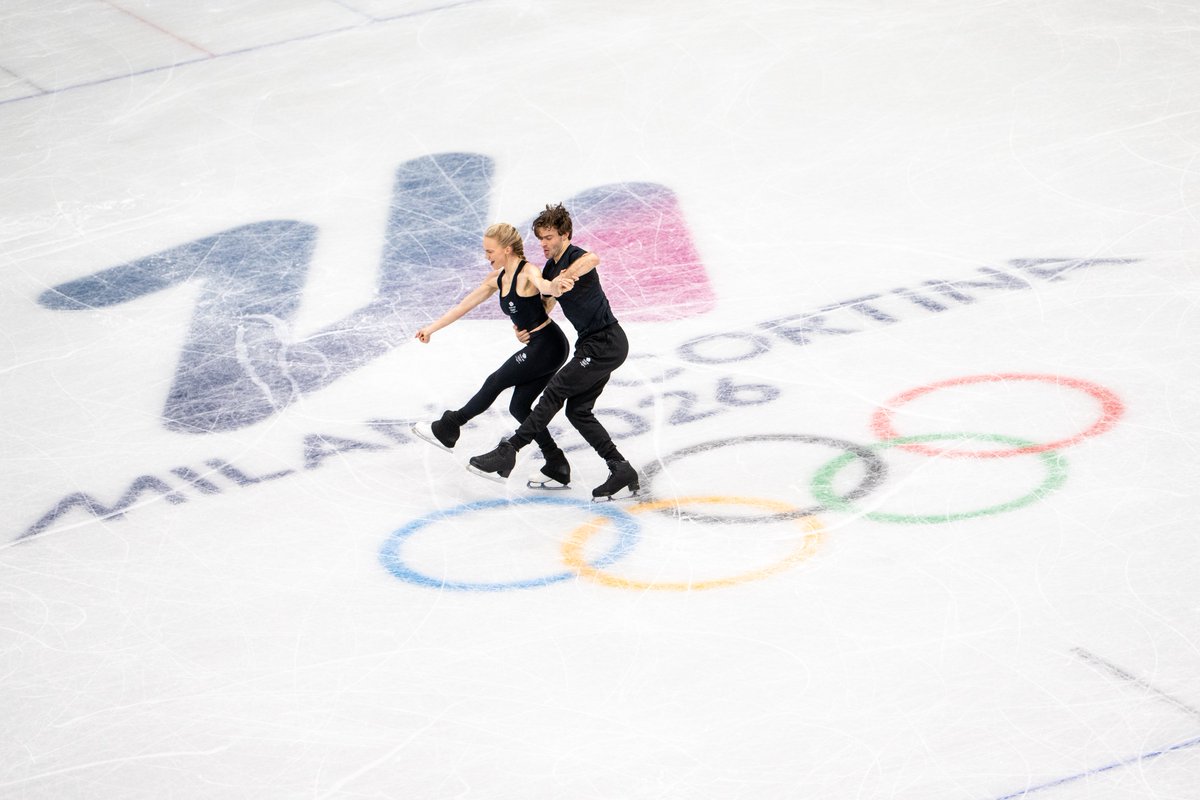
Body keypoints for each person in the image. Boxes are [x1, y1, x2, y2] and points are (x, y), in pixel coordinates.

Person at [468, 203, 640, 500]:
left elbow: (593, 259)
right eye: (541, 238)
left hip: (606, 342)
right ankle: (620, 468)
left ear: (565, 234)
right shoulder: (547, 269)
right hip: (591, 344)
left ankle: (509, 450)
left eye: (549, 237)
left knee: (555, 391)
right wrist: (528, 326)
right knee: (578, 411)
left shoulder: (576, 257)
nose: (544, 244)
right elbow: (547, 303)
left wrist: (566, 277)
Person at [411, 222, 573, 487]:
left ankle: (449, 427)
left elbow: (544, 286)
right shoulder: (498, 279)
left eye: (490, 252)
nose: (487, 257)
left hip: (549, 345)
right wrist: (431, 329)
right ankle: (556, 463)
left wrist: (555, 286)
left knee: (496, 380)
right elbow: (464, 306)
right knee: (519, 407)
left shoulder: (526, 271)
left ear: (507, 249)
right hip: (539, 346)